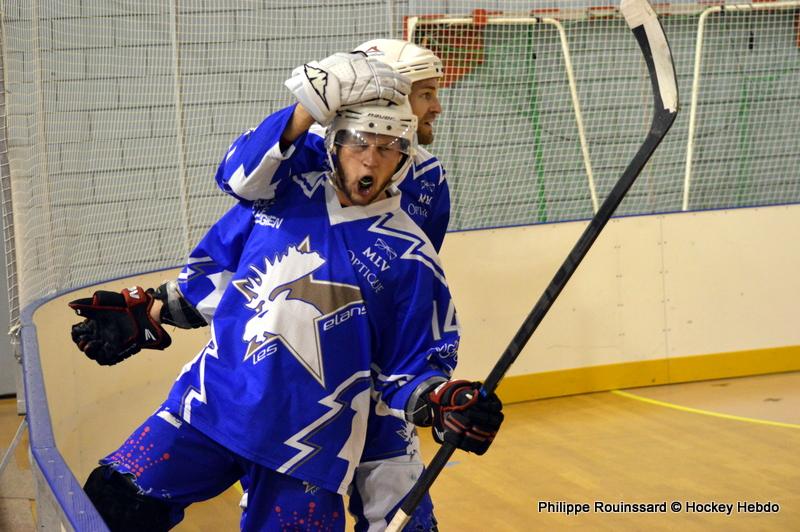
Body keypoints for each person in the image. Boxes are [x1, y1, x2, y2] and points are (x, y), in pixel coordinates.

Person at [69, 99, 504, 531]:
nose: (370, 159)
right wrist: (152, 310)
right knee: (111, 504)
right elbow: (219, 274)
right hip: (212, 404)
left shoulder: (410, 257)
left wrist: (441, 401)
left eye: (387, 147)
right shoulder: (280, 197)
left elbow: (409, 366)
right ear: (333, 146)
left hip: (308, 447)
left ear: (404, 159)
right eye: (358, 143)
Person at [217, 39, 451, 531]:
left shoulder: (429, 176)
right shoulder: (304, 157)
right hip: (303, 384)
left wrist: (416, 383)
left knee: (407, 517)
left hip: (379, 381)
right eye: (425, 93)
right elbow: (241, 228)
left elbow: (412, 283)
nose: (436, 106)